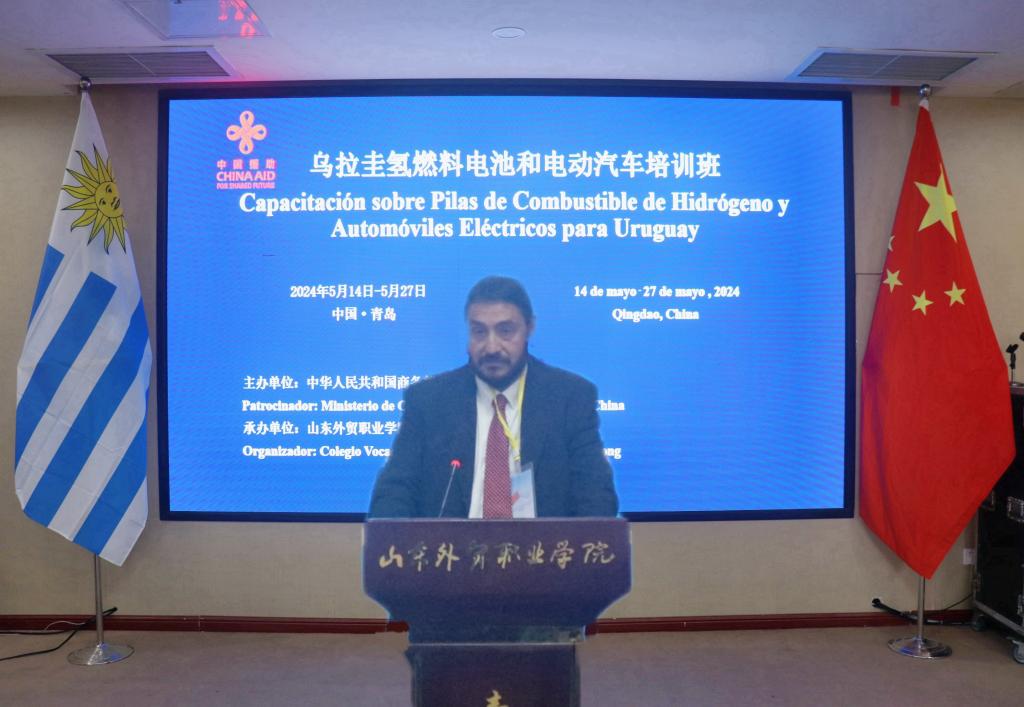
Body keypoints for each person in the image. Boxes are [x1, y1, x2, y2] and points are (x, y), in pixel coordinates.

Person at [368, 275, 619, 518]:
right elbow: (392, 496)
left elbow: (597, 499)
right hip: (451, 546)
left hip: (543, 547)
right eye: (479, 332)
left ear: (529, 328)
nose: (491, 347)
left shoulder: (569, 398)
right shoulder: (429, 401)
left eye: (505, 331)